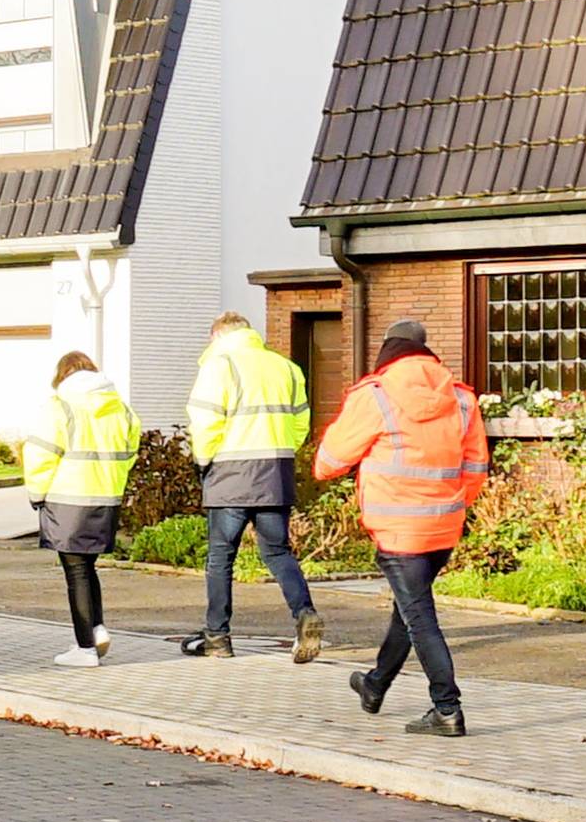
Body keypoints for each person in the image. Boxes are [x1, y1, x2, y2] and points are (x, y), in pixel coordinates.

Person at [314, 319, 488, 737]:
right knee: (407, 609)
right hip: (444, 527)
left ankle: (447, 708)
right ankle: (374, 686)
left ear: (388, 350)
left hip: (397, 530)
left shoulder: (375, 395)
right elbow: (477, 467)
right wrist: (449, 505)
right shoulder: (461, 398)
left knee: (418, 615)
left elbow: (328, 463)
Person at [183, 311, 321, 662]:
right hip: (275, 471)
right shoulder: (285, 367)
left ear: (217, 336)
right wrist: (282, 452)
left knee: (220, 557)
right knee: (277, 552)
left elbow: (205, 421)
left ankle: (217, 637)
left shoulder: (220, 365)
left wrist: (204, 460)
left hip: (230, 474)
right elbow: (301, 421)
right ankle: (304, 613)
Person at [22, 350, 140, 668]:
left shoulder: (60, 406)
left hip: (67, 500)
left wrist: (37, 493)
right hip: (106, 498)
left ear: (62, 375)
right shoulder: (122, 410)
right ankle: (96, 628)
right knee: (88, 568)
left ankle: (85, 647)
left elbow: (40, 454)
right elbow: (130, 453)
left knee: (76, 571)